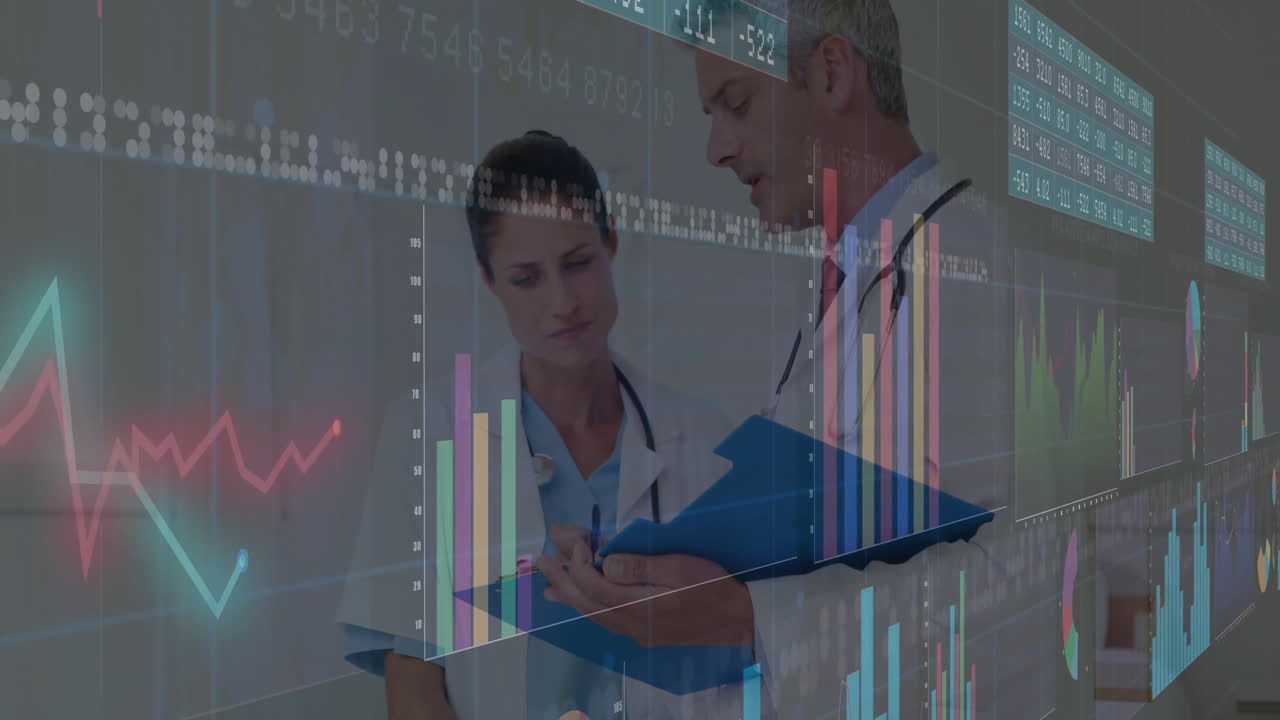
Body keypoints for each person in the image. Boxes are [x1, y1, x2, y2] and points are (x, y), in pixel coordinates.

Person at [537, 1, 1009, 716]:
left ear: (830, 75)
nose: (717, 148)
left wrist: (743, 618)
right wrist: (647, 579)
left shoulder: (966, 271)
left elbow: (1005, 597)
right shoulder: (849, 280)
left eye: (737, 103)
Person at [336, 130, 747, 718]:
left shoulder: (707, 444)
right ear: (489, 281)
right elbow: (413, 680)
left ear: (611, 242)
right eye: (526, 278)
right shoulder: (427, 435)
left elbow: (739, 654)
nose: (562, 301)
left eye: (577, 263)